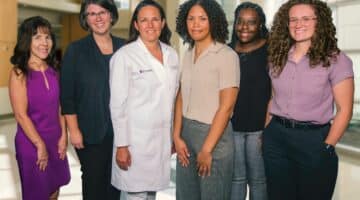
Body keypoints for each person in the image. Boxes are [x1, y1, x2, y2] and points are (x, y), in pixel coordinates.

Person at [263, 0, 354, 200]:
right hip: (276, 138)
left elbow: (345, 110)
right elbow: (272, 99)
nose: (298, 24)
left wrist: (328, 146)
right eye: (293, 20)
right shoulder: (277, 57)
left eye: (305, 19)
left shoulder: (336, 60)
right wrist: (266, 132)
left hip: (313, 141)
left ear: (319, 22)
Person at [109, 0, 178, 199]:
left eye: (155, 19)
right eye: (144, 20)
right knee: (135, 195)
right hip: (134, 142)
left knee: (151, 194)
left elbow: (172, 100)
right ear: (136, 25)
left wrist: (172, 134)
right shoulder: (125, 56)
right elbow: (117, 105)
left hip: (160, 140)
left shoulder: (171, 55)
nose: (150, 25)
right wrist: (122, 146)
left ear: (163, 23)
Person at [174, 0, 240, 199]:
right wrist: (176, 136)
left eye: (202, 19)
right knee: (186, 195)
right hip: (186, 133)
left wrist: (206, 149)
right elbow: (180, 97)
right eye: (191, 19)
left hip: (214, 137)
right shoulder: (187, 53)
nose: (196, 24)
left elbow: (226, 107)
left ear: (213, 21)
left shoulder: (227, 55)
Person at [60, 0, 124, 199]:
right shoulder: (76, 51)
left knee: (116, 185)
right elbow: (67, 95)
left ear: (111, 15)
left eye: (103, 12)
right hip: (90, 132)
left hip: (121, 133)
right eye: (92, 14)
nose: (98, 18)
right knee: (94, 184)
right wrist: (74, 130)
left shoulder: (125, 47)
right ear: (86, 20)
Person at [9, 16, 70, 200]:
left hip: (55, 140)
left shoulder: (54, 70)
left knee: (54, 189)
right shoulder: (19, 73)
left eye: (48, 37)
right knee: (38, 193)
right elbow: (21, 115)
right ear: (27, 41)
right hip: (31, 143)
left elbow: (60, 106)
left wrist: (63, 135)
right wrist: (39, 144)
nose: (44, 43)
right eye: (37, 37)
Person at [228, 2, 270, 200]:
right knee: (236, 179)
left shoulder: (271, 51)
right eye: (240, 22)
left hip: (259, 129)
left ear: (260, 24)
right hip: (232, 128)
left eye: (251, 23)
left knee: (258, 180)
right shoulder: (227, 51)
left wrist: (268, 129)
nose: (244, 27)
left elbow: (276, 94)